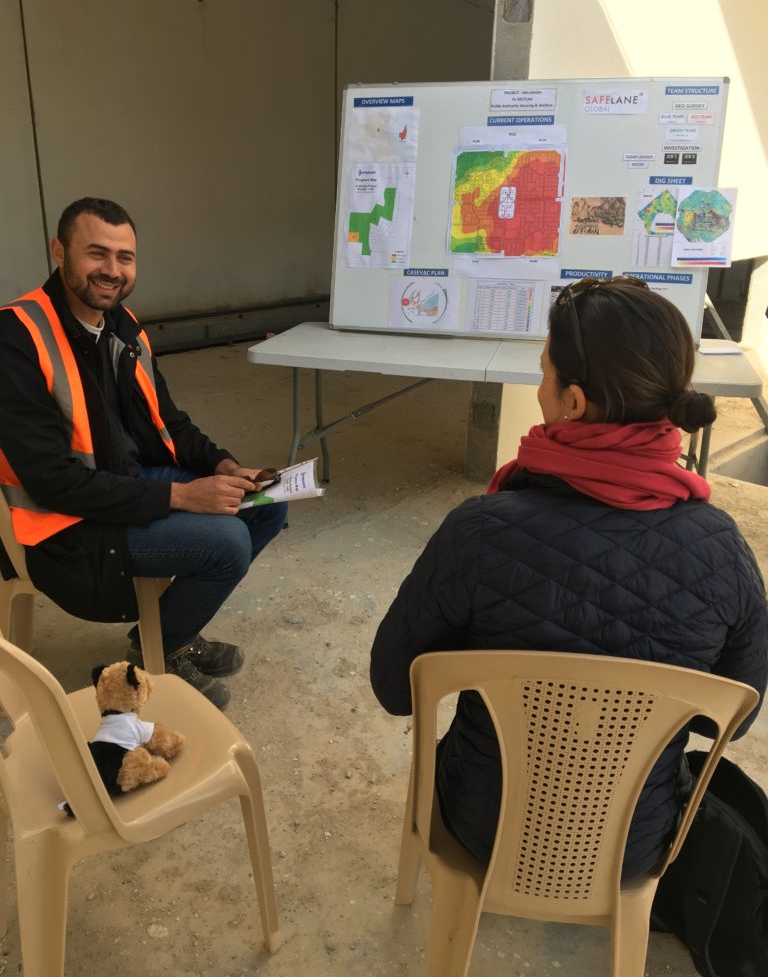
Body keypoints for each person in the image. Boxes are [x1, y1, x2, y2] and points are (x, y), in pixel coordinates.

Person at [370, 276, 768, 878]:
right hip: (635, 844)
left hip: (484, 826)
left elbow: (393, 688)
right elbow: (733, 719)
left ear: (573, 402)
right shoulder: (723, 547)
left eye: (544, 373)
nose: (540, 387)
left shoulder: (478, 533)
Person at [0, 197, 287, 710]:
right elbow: (52, 482)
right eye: (96, 254)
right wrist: (181, 496)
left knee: (266, 505)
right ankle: (166, 648)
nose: (112, 270)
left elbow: (169, 422)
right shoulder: (15, 338)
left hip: (118, 485)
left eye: (124, 257)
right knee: (227, 542)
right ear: (59, 251)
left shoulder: (122, 326)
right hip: (64, 526)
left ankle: (165, 632)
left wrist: (224, 465)